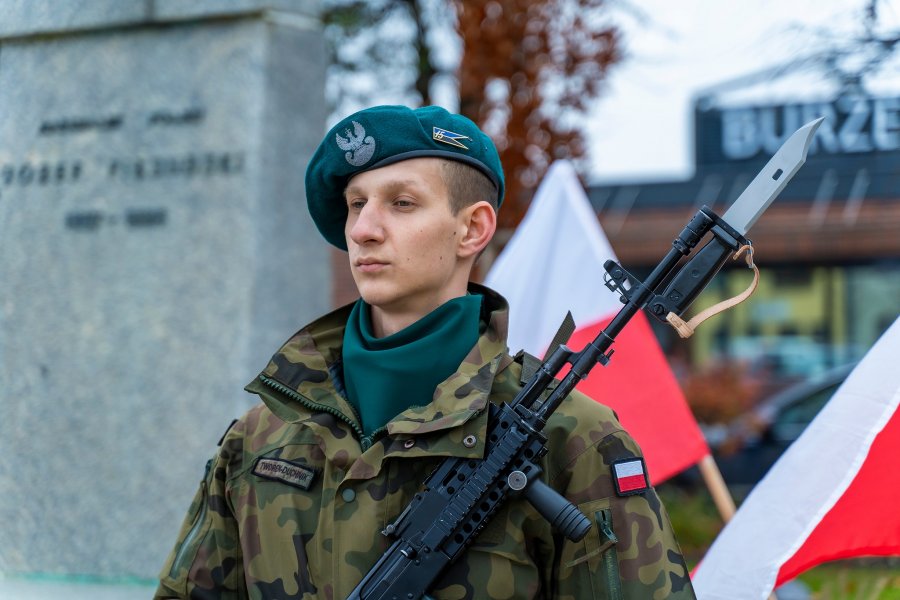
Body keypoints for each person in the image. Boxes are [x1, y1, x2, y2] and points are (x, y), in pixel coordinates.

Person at [155, 105, 696, 599]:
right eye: (356, 205)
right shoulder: (258, 439)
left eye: (402, 203)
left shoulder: (572, 440)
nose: (363, 230)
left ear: (472, 229)